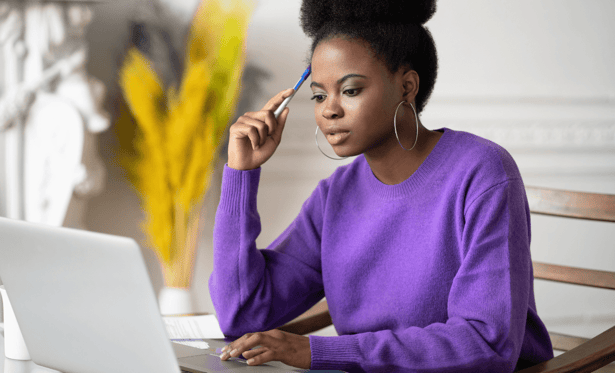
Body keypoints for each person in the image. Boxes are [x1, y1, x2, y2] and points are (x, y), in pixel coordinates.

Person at [209, 0, 555, 371]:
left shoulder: (482, 173)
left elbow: (487, 342)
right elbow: (241, 313)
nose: (329, 110)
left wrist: (317, 352)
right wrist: (239, 174)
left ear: (407, 87)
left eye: (351, 90)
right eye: (319, 94)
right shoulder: (335, 196)